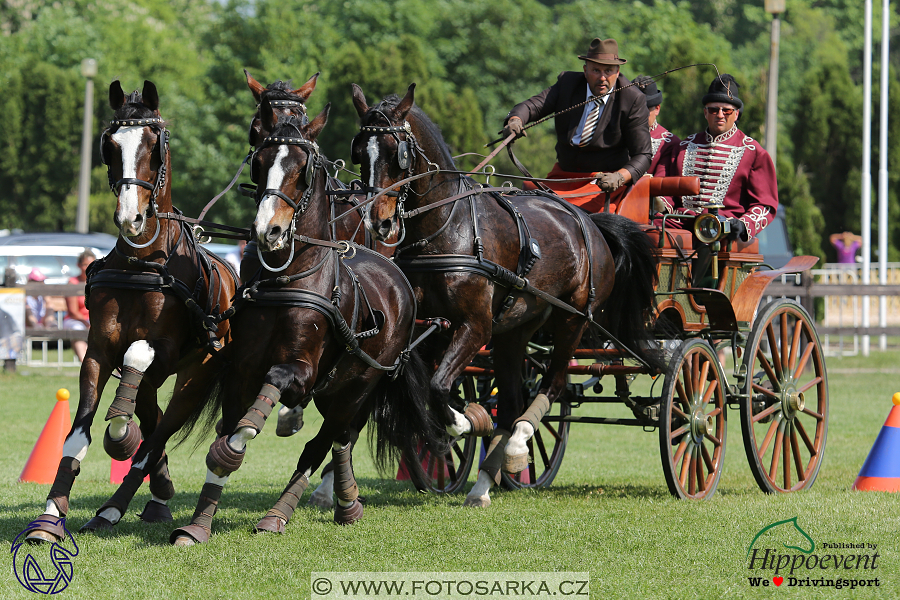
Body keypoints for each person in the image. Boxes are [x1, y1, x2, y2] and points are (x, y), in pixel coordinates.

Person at [501, 38, 651, 213]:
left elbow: (643, 154)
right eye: (596, 70)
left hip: (602, 184)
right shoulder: (567, 84)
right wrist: (515, 120)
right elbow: (532, 106)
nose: (602, 78)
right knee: (526, 208)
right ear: (585, 70)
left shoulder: (632, 99)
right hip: (562, 178)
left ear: (617, 72)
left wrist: (620, 176)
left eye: (608, 71)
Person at [652, 73, 778, 243]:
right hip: (681, 223)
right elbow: (667, 191)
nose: (720, 115)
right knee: (649, 233)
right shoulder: (683, 146)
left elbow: (765, 205)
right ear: (705, 112)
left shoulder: (753, 152)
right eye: (714, 109)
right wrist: (659, 202)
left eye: (726, 110)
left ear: (736, 114)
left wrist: (742, 224)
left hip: (723, 230)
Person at [632, 75, 680, 175]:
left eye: (646, 110)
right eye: (636, 110)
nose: (640, 115)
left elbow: (660, 183)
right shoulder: (616, 134)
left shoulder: (669, 143)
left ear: (657, 109)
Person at [64, 250, 95, 362]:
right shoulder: (72, 283)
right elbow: (72, 311)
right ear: (79, 265)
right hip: (75, 319)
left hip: (92, 319)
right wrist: (86, 322)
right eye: (85, 264)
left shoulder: (97, 282)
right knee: (78, 329)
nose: (88, 267)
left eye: (91, 264)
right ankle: (86, 362)